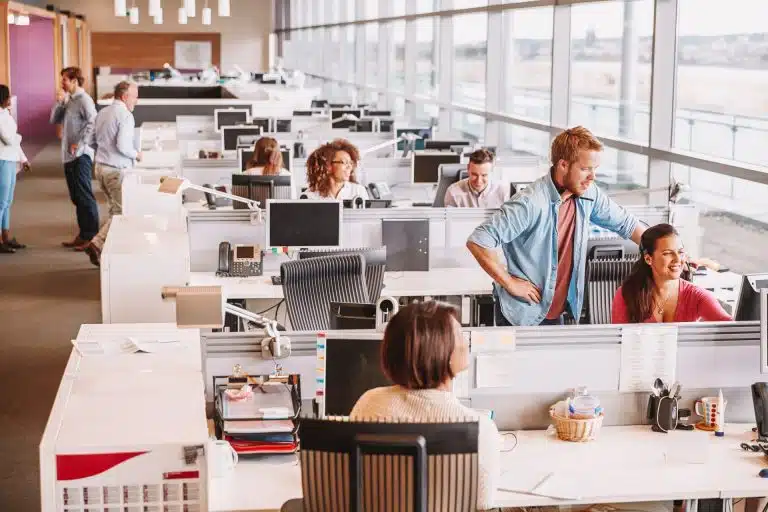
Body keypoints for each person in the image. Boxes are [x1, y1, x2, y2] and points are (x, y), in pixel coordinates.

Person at [467, 126, 644, 326]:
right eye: (585, 169)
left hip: (555, 311)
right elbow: (479, 240)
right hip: (523, 313)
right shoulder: (530, 202)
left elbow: (628, 224)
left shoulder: (588, 193)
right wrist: (510, 283)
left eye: (595, 169)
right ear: (563, 165)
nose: (592, 177)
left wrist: (662, 250)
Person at [350, 301, 501, 510]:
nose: (466, 341)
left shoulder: (369, 404)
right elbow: (483, 503)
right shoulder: (479, 429)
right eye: (459, 335)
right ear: (441, 353)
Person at [612, 223, 732, 324]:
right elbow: (618, 340)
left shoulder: (697, 296)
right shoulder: (626, 294)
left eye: (680, 252)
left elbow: (733, 330)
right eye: (667, 253)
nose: (677, 259)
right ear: (648, 259)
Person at [83, 81, 142, 267]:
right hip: (116, 170)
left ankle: (109, 254)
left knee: (113, 211)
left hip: (100, 168)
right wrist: (136, 154)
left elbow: (89, 140)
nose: (136, 100)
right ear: (124, 96)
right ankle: (97, 244)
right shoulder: (125, 115)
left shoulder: (102, 112)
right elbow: (123, 146)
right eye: (134, 96)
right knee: (121, 213)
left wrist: (104, 151)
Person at [50, 66, 99, 251]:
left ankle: (92, 238)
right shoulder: (69, 100)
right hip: (68, 156)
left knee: (85, 196)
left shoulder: (85, 100)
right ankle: (83, 234)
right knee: (76, 197)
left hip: (81, 155)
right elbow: (54, 119)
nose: (61, 83)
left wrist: (80, 143)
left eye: (64, 79)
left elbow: (93, 123)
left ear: (74, 81)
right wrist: (59, 102)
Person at [0, 84, 31, 254]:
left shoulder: (6, 114)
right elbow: (9, 139)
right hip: (2, 160)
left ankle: (5, 236)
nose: (10, 99)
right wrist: (18, 137)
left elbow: (14, 142)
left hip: (11, 160)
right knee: (1, 202)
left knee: (8, 201)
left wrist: (23, 158)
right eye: (7, 96)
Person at [303, 138, 368, 200]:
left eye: (351, 163)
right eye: (345, 162)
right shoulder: (310, 195)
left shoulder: (358, 191)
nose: (349, 167)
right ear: (327, 166)